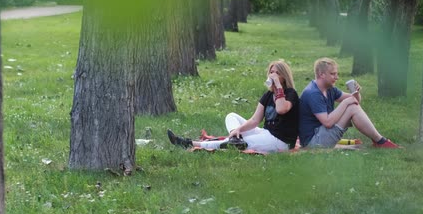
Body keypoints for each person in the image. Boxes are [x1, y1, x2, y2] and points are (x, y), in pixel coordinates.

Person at [168, 60, 299, 153]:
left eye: (277, 73)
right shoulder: (268, 95)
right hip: (266, 133)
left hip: (281, 141)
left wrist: (278, 86)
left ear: (284, 76)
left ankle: (189, 143)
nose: (273, 75)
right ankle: (235, 139)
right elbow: (254, 120)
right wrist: (238, 130)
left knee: (246, 142)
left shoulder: (290, 93)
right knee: (231, 116)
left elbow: (281, 109)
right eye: (271, 72)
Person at [298, 57, 400, 149]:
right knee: (350, 107)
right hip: (313, 142)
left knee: (352, 107)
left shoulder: (329, 89)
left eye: (336, 73)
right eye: (333, 74)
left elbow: (355, 101)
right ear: (322, 74)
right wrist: (346, 102)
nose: (337, 77)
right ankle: (380, 141)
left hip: (321, 134)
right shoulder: (313, 93)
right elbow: (328, 123)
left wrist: (355, 92)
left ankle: (379, 141)